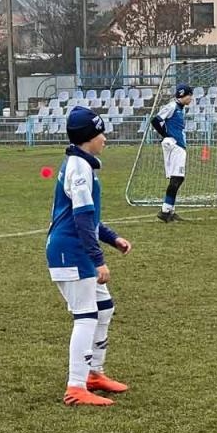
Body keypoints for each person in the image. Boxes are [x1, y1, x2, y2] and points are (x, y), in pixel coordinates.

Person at [46, 105, 133, 406]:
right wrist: (99, 260)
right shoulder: (79, 168)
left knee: (104, 308)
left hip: (76, 247)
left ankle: (94, 373)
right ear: (88, 136)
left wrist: (112, 238)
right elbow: (82, 218)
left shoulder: (82, 164)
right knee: (85, 315)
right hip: (70, 251)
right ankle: (76, 386)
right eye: (101, 133)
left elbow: (89, 217)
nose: (105, 138)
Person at [150, 83, 195, 222]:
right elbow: (155, 120)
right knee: (177, 178)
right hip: (175, 146)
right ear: (183, 95)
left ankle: (170, 210)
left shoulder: (180, 108)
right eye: (189, 95)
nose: (191, 98)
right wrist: (166, 135)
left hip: (179, 146)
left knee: (177, 178)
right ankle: (165, 210)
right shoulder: (172, 106)